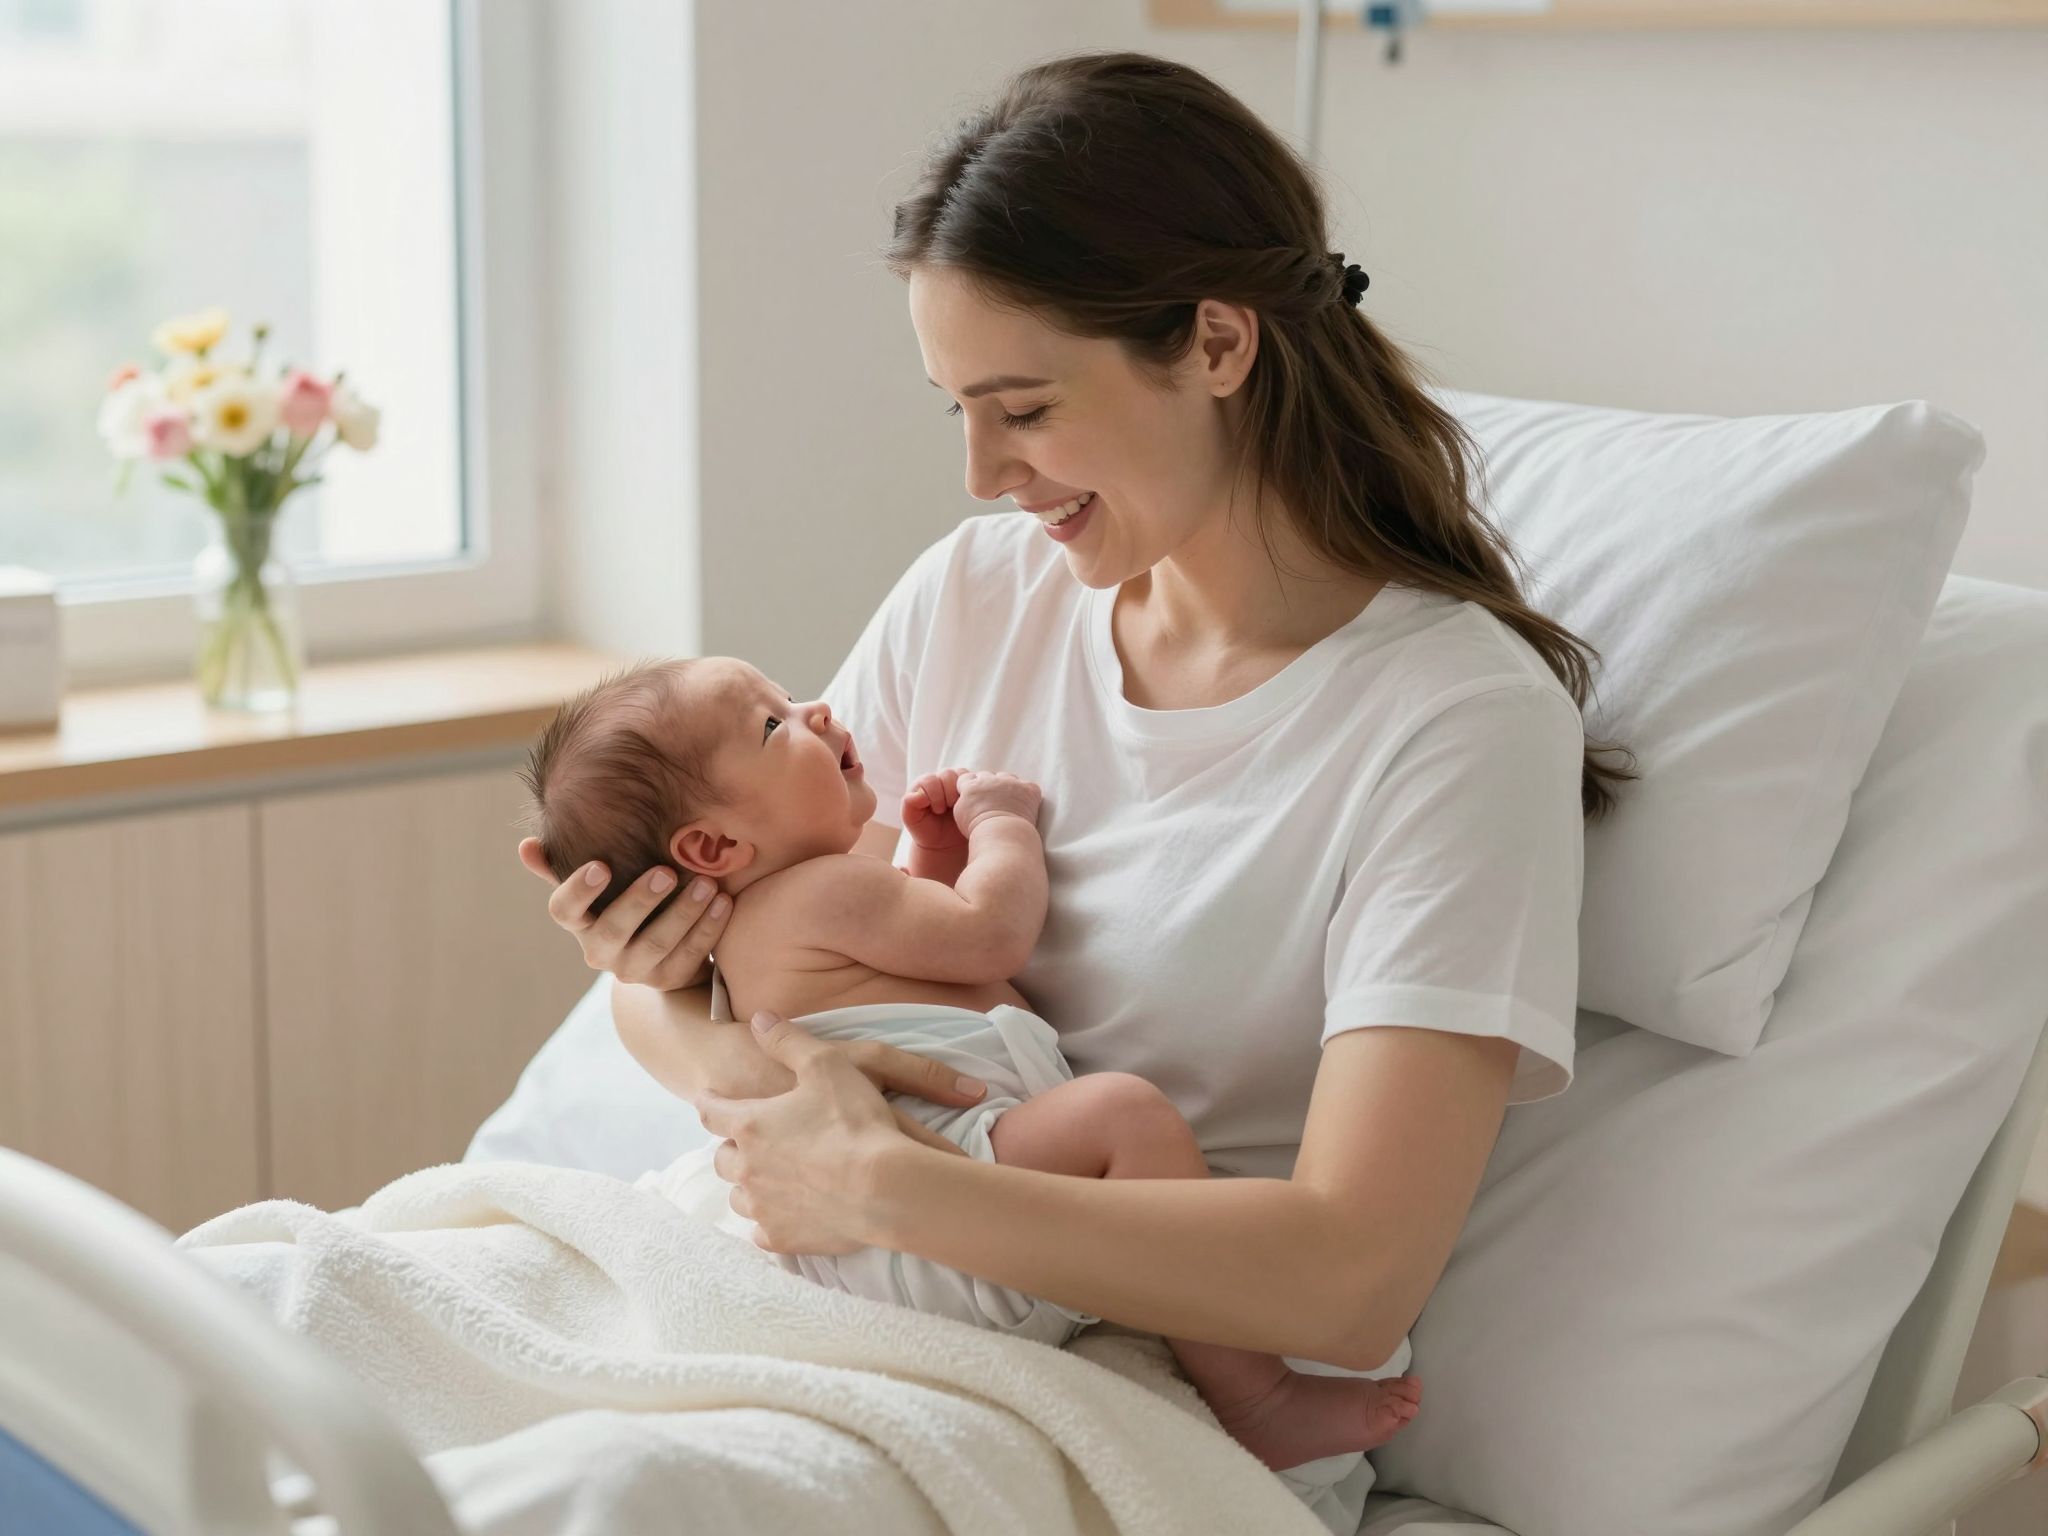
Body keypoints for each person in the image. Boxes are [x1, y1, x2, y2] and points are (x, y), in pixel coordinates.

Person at [518, 49, 1633, 1533]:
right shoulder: (978, 596)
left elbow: (1353, 1269)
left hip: (1125, 1366)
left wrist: (892, 1188)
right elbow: (715, 995)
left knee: (602, 1497)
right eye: (957, 413)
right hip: (824, 1276)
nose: (984, 474)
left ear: (1219, 343)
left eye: (1025, 409)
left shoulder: (1451, 724)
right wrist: (736, 1058)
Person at [516, 653, 1426, 1474]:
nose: (819, 709)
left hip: (904, 1233)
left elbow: (912, 964)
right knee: (1125, 1118)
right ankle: (1256, 1397)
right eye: (772, 724)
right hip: (955, 1189)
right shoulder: (824, 890)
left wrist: (931, 855)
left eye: (787, 693)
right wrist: (1000, 830)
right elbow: (987, 935)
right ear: (713, 848)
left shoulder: (764, 933)